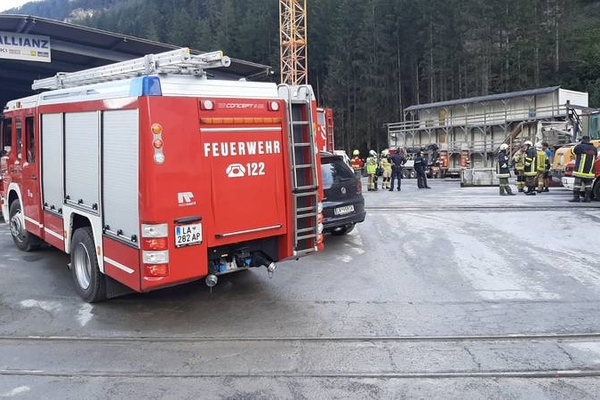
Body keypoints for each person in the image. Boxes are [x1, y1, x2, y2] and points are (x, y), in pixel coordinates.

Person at [569, 136, 597, 203]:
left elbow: (572, 151)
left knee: (577, 185)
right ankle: (587, 198)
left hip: (580, 171)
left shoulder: (579, 147)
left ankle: (576, 198)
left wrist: (579, 143)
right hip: (589, 172)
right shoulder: (594, 149)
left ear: (582, 140)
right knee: (588, 185)